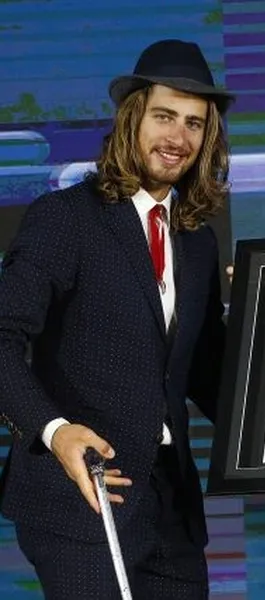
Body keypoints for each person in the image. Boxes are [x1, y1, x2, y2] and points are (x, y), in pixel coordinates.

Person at [0, 38, 234, 599]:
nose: (178, 138)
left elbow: (207, 372)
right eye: (164, 117)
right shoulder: (66, 219)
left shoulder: (197, 240)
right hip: (82, 500)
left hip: (172, 507)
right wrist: (55, 433)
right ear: (132, 119)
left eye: (195, 124)